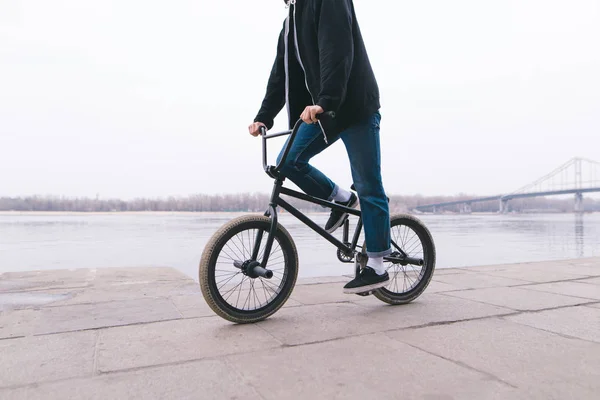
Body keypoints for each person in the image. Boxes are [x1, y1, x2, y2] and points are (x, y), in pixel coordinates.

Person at [248, 0, 391, 294]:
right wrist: (264, 116)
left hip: (354, 108)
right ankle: (340, 199)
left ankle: (377, 265)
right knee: (287, 162)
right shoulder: (292, 19)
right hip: (321, 108)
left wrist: (326, 100)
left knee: (368, 185)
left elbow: (337, 49)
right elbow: (281, 73)